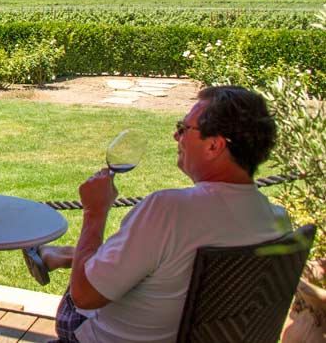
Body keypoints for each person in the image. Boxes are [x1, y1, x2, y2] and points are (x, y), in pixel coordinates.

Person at [23, 85, 288, 343]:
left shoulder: (169, 210)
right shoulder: (277, 222)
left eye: (183, 129)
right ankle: (67, 254)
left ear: (214, 146)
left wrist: (95, 211)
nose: (176, 137)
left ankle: (68, 255)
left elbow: (85, 296)